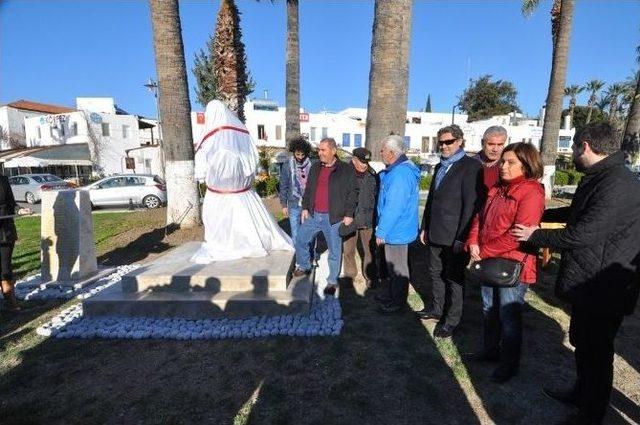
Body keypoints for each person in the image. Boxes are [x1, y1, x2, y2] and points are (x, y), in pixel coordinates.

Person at [512, 123, 640, 425]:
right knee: (584, 343)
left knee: (597, 352)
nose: (571, 154)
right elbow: (576, 213)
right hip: (591, 281)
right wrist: (539, 215)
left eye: (573, 148)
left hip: (605, 287)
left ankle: (591, 414)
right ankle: (581, 394)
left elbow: (582, 234)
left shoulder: (617, 184)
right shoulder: (602, 177)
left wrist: (534, 236)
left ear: (585, 146)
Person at [466, 142, 545, 383]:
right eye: (503, 161)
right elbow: (480, 217)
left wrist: (485, 250)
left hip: (512, 264)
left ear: (527, 164)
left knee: (508, 315)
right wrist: (473, 242)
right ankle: (490, 351)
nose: (503, 166)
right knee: (489, 309)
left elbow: (517, 235)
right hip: (489, 260)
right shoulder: (497, 189)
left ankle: (509, 364)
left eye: (510, 162)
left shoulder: (532, 191)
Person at [190, 100, 293, 263]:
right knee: (248, 226)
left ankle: (225, 245)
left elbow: (202, 170)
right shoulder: (242, 133)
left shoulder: (210, 137)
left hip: (219, 196)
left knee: (220, 225)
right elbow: (253, 160)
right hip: (245, 195)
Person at [417, 124, 482, 338]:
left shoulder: (470, 166)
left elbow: (470, 205)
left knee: (454, 279)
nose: (444, 146)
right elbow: (432, 201)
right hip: (435, 233)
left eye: (449, 142)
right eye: (441, 142)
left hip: (455, 236)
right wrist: (425, 227)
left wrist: (462, 237)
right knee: (435, 274)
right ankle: (437, 309)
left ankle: (452, 320)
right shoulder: (439, 166)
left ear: (460, 141)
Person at [294, 137, 358, 296]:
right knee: (301, 239)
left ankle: (332, 282)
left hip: (334, 218)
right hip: (314, 215)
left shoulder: (345, 169)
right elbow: (308, 190)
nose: (320, 153)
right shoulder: (316, 167)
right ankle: (304, 266)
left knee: (334, 252)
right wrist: (305, 208)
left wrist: (349, 214)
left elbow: (353, 193)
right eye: (319, 150)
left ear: (333, 151)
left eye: (323, 150)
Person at [375, 135, 420, 313]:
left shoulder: (400, 173)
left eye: (383, 150)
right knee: (392, 266)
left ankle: (398, 301)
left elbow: (394, 206)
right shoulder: (397, 170)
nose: (381, 152)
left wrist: (382, 232)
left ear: (392, 153)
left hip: (397, 230)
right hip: (397, 229)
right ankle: (393, 294)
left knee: (398, 268)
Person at [342, 147, 379, 288]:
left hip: (367, 219)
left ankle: (371, 277)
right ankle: (350, 276)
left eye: (367, 162)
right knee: (349, 250)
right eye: (362, 162)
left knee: (370, 250)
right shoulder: (344, 173)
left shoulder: (372, 174)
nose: (365, 165)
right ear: (354, 159)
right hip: (349, 218)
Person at [0, 175, 31, 312]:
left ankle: (10, 301)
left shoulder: (3, 179)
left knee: (6, 266)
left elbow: (10, 202)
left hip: (6, 230)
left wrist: (19, 209)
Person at [279, 136, 313, 244]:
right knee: (296, 233)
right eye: (298, 154)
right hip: (293, 204)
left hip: (308, 204)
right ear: (294, 152)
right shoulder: (287, 165)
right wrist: (284, 205)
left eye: (303, 154)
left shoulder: (311, 165)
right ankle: (298, 257)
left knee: (308, 232)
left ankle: (310, 256)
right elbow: (283, 185)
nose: (300, 157)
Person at [474, 125, 508, 192]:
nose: (495, 149)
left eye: (500, 145)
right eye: (491, 144)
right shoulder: (469, 164)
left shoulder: (508, 167)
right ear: (482, 143)